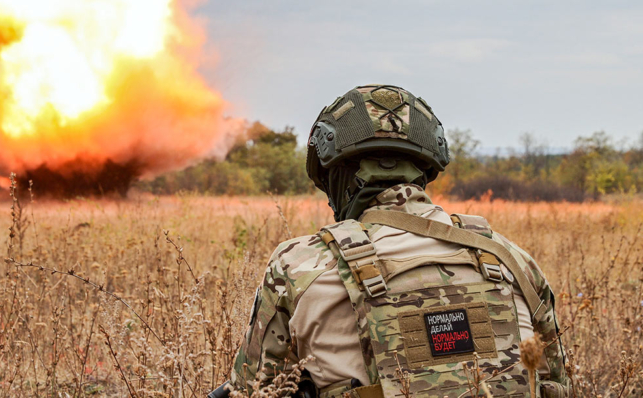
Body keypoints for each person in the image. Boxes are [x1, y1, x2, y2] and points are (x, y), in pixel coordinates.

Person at [225, 85, 570, 398]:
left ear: (336, 177)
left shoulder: (299, 264)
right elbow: (556, 384)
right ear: (424, 169)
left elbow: (254, 390)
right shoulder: (509, 257)